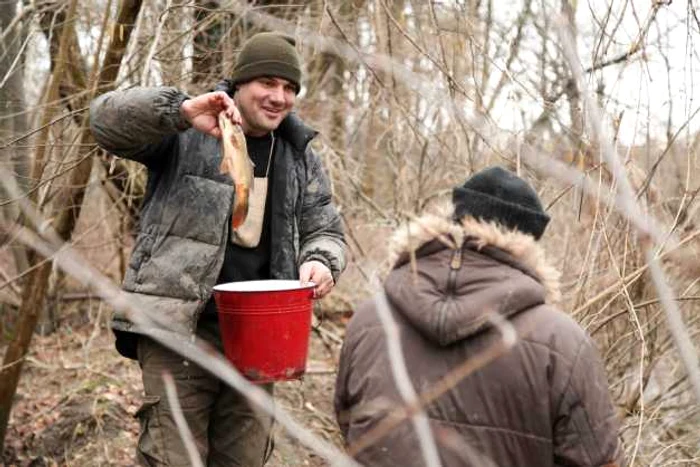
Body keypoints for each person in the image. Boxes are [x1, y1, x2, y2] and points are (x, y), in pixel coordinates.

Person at [90, 32, 346, 466]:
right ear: (240, 84)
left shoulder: (299, 154)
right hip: (178, 329)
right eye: (267, 82)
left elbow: (326, 228)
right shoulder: (188, 130)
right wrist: (180, 111)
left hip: (258, 337)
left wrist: (321, 261)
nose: (279, 97)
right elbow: (103, 122)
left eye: (289, 88)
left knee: (244, 458)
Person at [334, 166, 625, 467]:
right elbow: (596, 459)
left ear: (453, 220)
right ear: (529, 243)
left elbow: (349, 425)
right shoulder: (563, 342)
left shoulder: (370, 319)